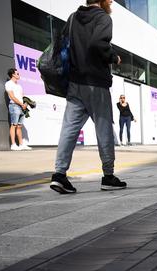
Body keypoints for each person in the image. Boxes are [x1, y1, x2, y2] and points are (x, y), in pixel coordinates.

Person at [50, 0, 126, 194]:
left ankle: (59, 175)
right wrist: (114, 57)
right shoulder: (103, 18)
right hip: (96, 83)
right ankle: (108, 176)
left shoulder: (73, 17)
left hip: (75, 82)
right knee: (104, 129)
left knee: (69, 129)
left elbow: (63, 44)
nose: (111, 1)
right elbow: (97, 44)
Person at [5, 68, 31, 151]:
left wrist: (26, 103)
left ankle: (21, 144)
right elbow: (12, 96)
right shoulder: (8, 84)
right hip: (14, 106)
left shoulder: (19, 86)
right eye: (17, 73)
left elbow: (23, 96)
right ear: (13, 74)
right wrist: (21, 104)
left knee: (19, 126)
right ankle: (13, 144)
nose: (19, 75)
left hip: (22, 107)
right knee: (14, 125)